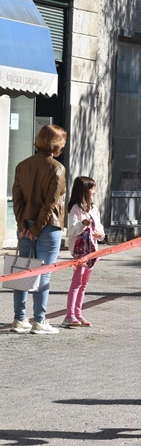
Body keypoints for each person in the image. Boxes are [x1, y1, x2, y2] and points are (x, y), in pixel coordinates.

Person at [10, 124, 68, 335]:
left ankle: (19, 319)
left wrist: (23, 225)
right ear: (55, 144)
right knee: (43, 273)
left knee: (22, 272)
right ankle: (40, 321)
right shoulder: (57, 168)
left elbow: (17, 199)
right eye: (62, 143)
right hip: (48, 226)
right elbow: (50, 203)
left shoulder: (22, 166)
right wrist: (36, 229)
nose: (63, 147)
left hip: (26, 225)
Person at [63, 176, 105, 328]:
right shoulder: (75, 209)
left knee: (84, 284)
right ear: (83, 191)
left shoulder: (94, 209)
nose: (94, 192)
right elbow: (72, 231)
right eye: (91, 189)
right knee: (77, 282)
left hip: (92, 252)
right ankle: (70, 315)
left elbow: (100, 229)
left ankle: (78, 313)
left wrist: (100, 234)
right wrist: (82, 224)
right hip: (80, 252)